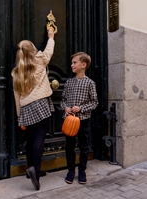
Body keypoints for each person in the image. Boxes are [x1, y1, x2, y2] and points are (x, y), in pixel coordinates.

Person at [11, 29, 55, 191]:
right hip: (40, 103)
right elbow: (49, 51)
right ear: (33, 50)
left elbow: (17, 97)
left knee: (30, 139)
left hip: (26, 107)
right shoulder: (40, 60)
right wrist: (51, 37)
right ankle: (35, 171)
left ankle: (31, 169)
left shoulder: (16, 72)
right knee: (39, 138)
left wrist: (19, 117)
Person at [60, 52, 98, 184]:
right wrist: (65, 107)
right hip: (69, 120)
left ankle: (82, 171)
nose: (72, 65)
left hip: (83, 119)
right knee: (69, 146)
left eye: (74, 63)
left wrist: (81, 108)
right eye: (72, 63)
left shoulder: (90, 83)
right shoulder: (69, 82)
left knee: (84, 146)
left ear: (83, 64)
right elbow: (63, 100)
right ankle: (71, 170)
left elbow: (94, 102)